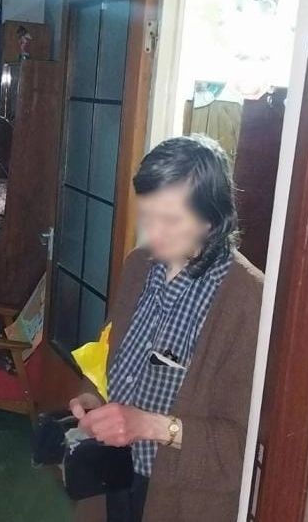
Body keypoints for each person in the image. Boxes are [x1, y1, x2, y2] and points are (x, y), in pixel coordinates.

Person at [69, 135, 263, 522]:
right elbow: (111, 351)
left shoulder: (247, 299)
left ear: (212, 218)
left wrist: (149, 425)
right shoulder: (138, 265)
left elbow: (240, 446)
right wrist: (93, 396)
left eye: (170, 220)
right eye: (147, 215)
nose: (152, 233)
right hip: (112, 476)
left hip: (182, 498)